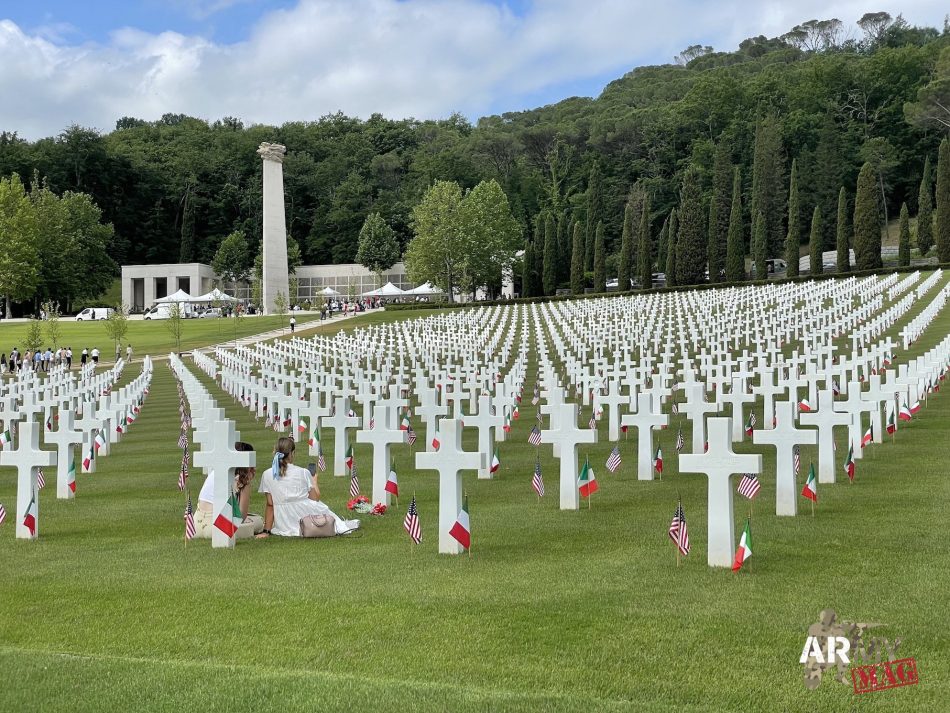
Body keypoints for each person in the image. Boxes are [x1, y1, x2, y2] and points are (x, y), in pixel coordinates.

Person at [257, 437, 358, 537]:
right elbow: (315, 498)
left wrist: (266, 531)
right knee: (335, 522)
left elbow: (270, 504)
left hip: (284, 522)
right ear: (292, 453)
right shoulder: (303, 472)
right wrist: (314, 482)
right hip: (307, 515)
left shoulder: (267, 474)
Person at [194, 442, 264, 539]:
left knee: (252, 519)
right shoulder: (242, 479)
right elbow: (241, 516)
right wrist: (248, 481)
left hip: (195, 525)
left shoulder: (216, 471)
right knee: (259, 521)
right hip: (216, 530)